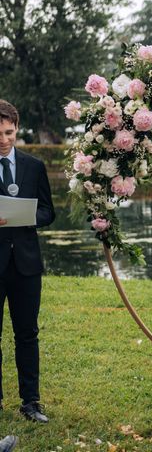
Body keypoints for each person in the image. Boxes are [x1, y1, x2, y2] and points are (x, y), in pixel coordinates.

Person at [0, 100, 55, 424]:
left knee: (27, 334)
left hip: (26, 265)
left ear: (17, 129)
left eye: (9, 132)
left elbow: (49, 211)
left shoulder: (34, 166)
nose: (4, 139)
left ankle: (31, 402)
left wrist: (26, 218)